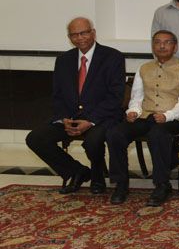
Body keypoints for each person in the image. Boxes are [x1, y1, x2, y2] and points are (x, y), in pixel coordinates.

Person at [25, 17, 125, 194]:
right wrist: (64, 118)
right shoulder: (63, 60)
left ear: (93, 33)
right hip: (70, 116)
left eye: (84, 33)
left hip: (101, 117)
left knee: (93, 141)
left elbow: (115, 97)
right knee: (35, 138)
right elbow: (58, 95)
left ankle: (98, 176)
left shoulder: (113, 57)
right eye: (74, 35)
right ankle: (76, 171)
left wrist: (90, 121)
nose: (80, 38)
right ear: (69, 38)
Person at [105, 30, 179, 206]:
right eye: (157, 42)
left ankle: (162, 184)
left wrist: (167, 116)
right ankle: (121, 184)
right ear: (152, 46)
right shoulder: (144, 68)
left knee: (157, 135)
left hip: (173, 119)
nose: (162, 46)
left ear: (175, 47)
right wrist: (133, 111)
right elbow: (137, 96)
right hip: (145, 115)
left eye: (167, 42)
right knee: (115, 133)